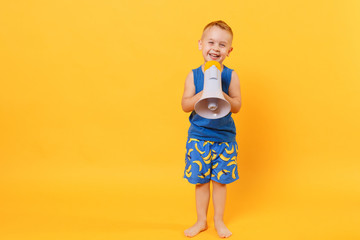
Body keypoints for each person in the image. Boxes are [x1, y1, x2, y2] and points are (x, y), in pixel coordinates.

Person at [181, 20, 242, 238]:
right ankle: (201, 221)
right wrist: (203, 92)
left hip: (224, 139)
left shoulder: (231, 75)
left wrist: (221, 93)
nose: (216, 48)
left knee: (220, 182)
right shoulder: (193, 75)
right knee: (200, 182)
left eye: (222, 45)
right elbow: (185, 105)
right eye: (211, 42)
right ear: (200, 44)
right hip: (199, 138)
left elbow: (237, 106)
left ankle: (219, 222)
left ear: (229, 51)